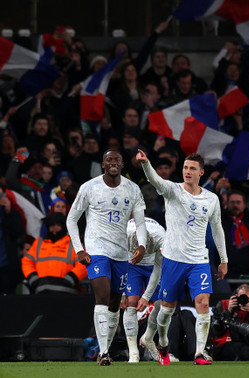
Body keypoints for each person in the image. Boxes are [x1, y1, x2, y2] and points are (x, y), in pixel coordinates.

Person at [136, 149, 228, 366]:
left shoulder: (211, 199)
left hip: (199, 261)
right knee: (167, 309)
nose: (187, 171)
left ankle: (199, 353)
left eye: (192, 168)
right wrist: (146, 164)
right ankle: (162, 343)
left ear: (201, 173)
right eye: (185, 167)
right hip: (173, 258)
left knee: (203, 303)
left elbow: (217, 230)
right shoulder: (173, 190)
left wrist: (224, 259)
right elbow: (155, 179)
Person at [66, 149, 147, 366]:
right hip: (97, 251)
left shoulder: (132, 189)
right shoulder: (89, 187)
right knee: (101, 296)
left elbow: (140, 222)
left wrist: (141, 245)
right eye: (109, 160)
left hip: (121, 253)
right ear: (103, 164)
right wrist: (79, 249)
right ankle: (103, 353)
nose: (113, 163)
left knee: (114, 304)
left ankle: (105, 349)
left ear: (122, 165)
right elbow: (72, 219)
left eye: (117, 160)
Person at [122, 217, 165, 363]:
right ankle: (133, 352)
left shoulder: (161, 237)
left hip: (153, 265)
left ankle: (148, 337)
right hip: (130, 264)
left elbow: (158, 271)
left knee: (162, 302)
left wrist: (146, 297)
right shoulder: (123, 233)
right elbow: (118, 261)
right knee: (131, 302)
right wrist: (122, 292)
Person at [22, 213, 87, 294]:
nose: (55, 227)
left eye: (58, 225)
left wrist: (70, 279)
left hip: (67, 292)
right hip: (41, 291)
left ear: (63, 226)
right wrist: (34, 279)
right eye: (52, 225)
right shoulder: (39, 243)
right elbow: (27, 262)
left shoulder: (73, 243)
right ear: (48, 226)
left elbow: (83, 263)